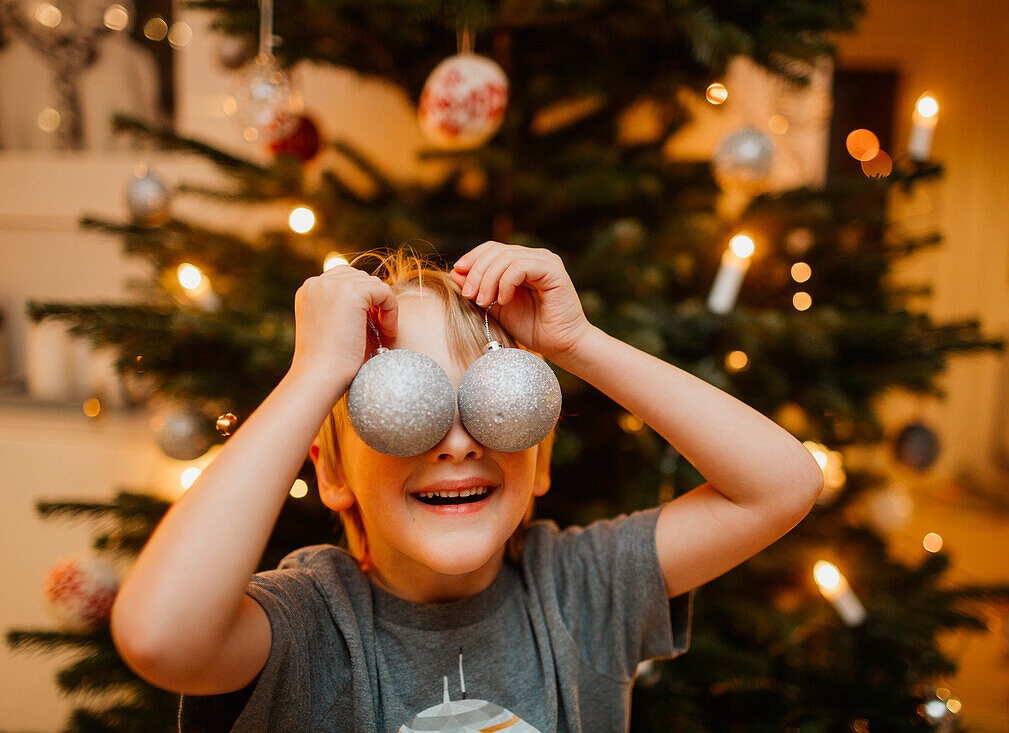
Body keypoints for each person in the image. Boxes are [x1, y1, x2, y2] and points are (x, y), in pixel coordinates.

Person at [110, 242, 824, 732]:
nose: (457, 440)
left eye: (497, 404)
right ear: (330, 471)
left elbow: (782, 485)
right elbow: (159, 634)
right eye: (403, 405)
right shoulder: (306, 627)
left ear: (538, 460)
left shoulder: (579, 591)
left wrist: (577, 344)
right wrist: (312, 376)